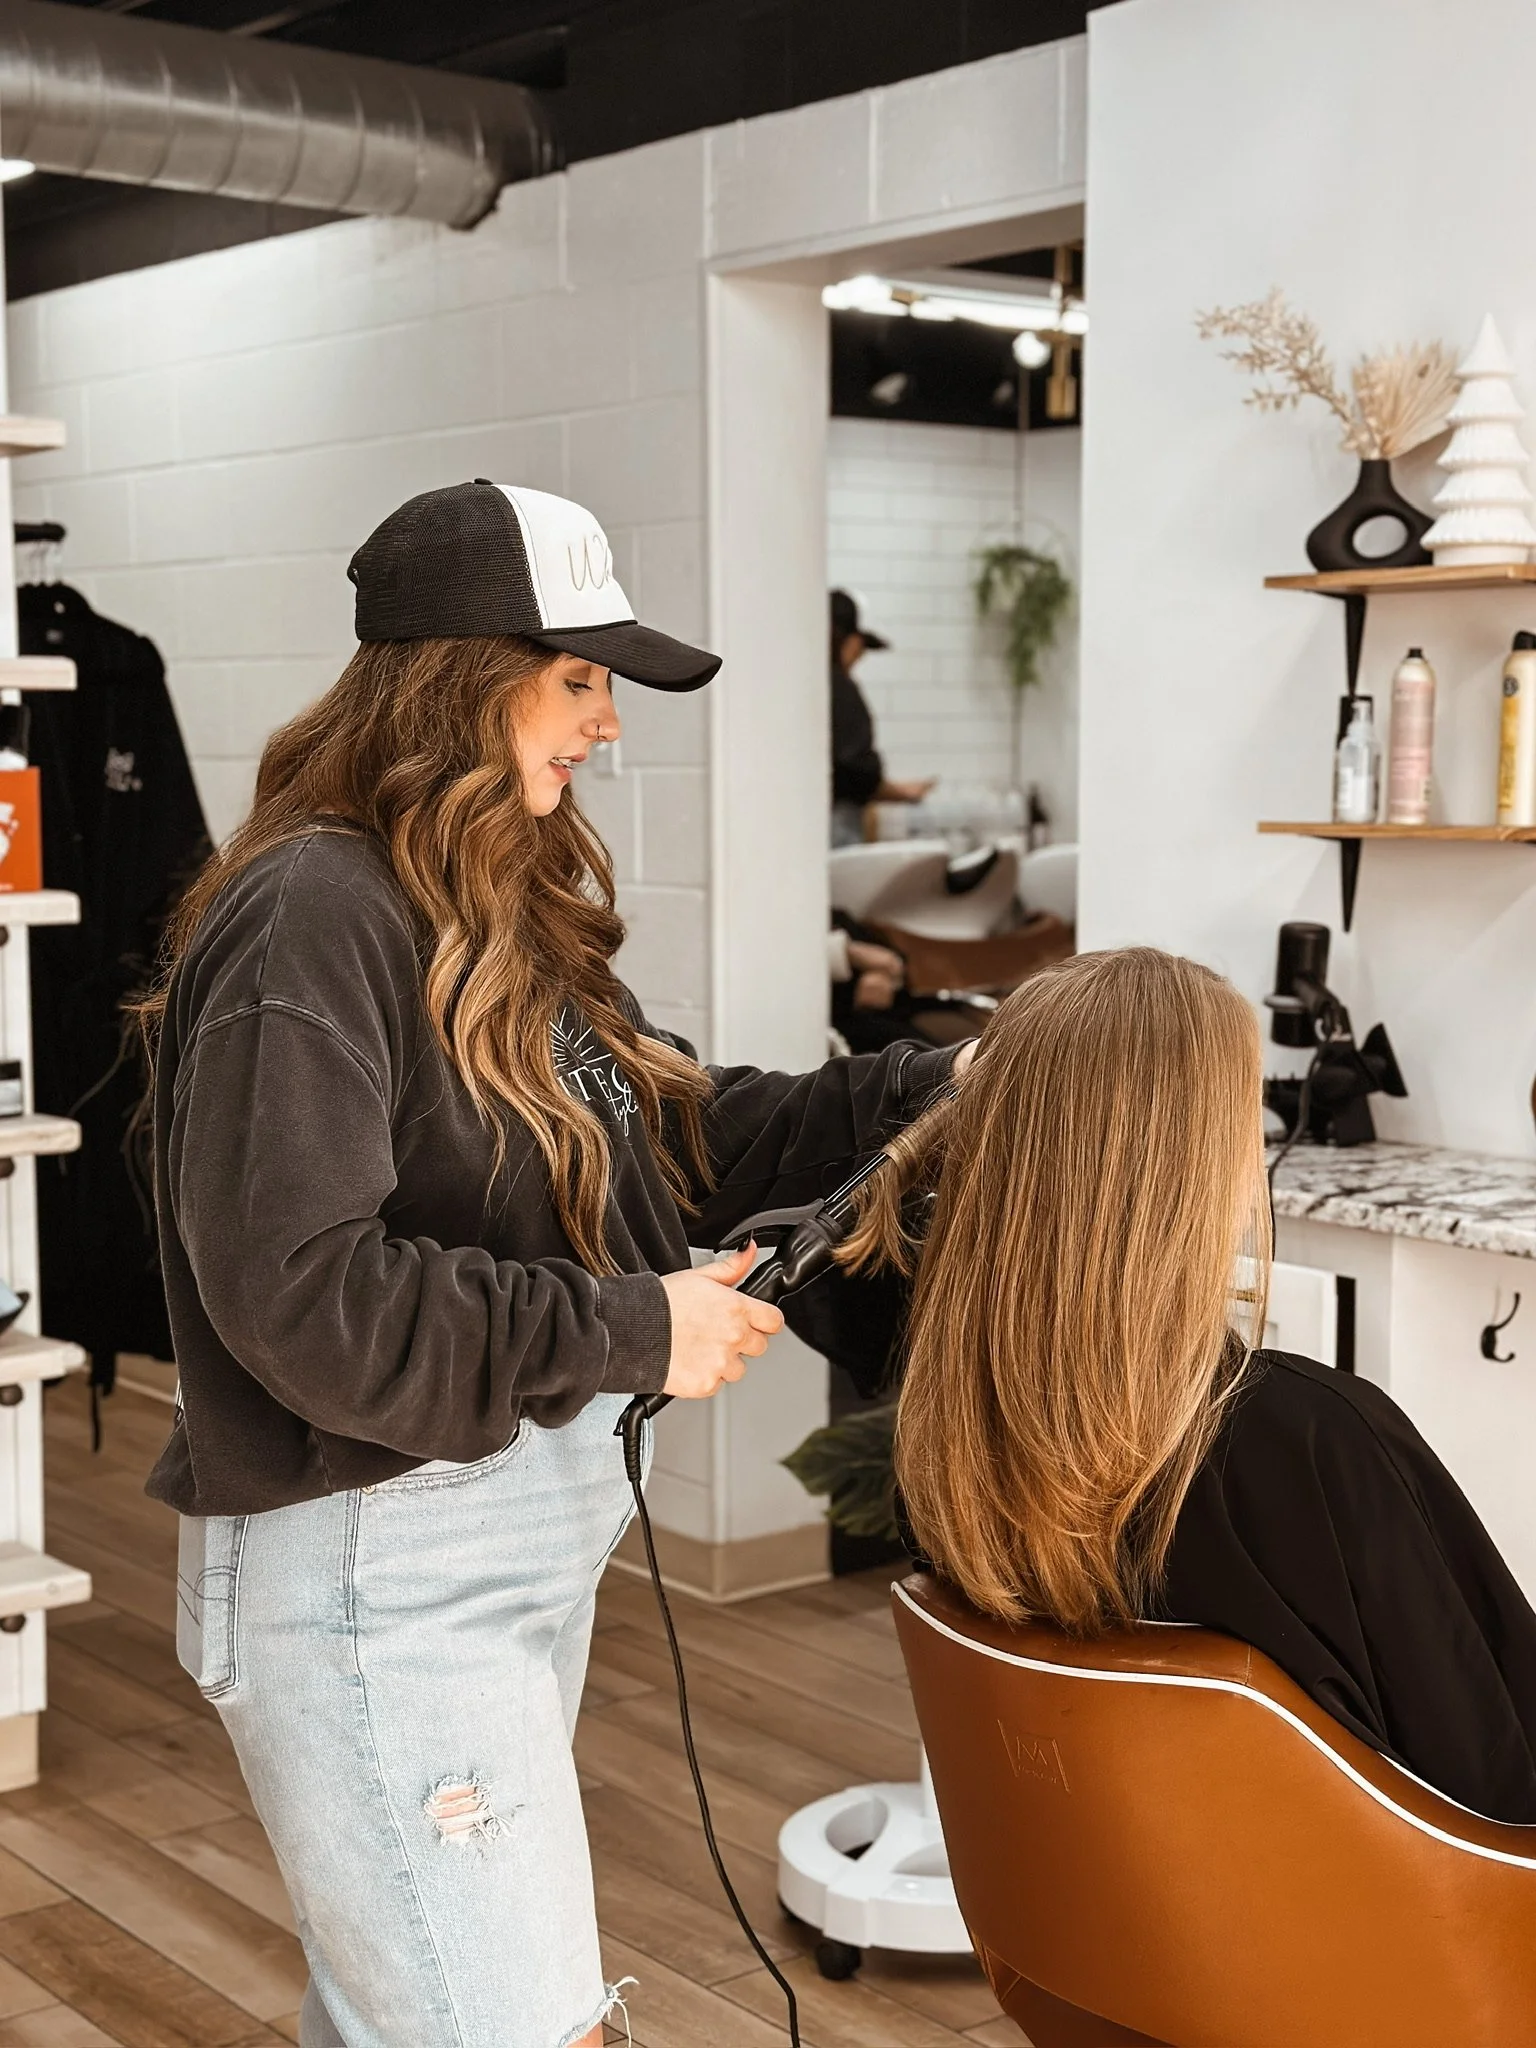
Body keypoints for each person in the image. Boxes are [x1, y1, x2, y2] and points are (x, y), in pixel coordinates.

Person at [143, 479, 973, 2048]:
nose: (603, 724)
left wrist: (921, 1081)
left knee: (412, 2016)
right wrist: (626, 1328)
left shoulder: (482, 898)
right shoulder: (311, 911)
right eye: (580, 677)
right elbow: (298, 1293)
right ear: (462, 671)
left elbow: (668, 1135)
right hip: (372, 1562)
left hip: (489, 1539)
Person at [844, 946, 1536, 1824]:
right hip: (1379, 1931)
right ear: (1201, 1162)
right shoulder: (1318, 1441)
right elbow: (1499, 1795)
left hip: (1114, 1930)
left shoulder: (948, 1440)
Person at [830, 588, 934, 845]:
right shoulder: (839, 688)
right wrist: (898, 792)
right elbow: (855, 768)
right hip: (838, 824)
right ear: (851, 642)